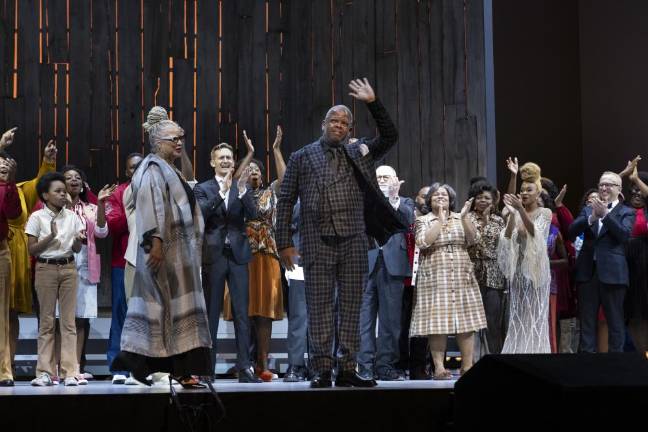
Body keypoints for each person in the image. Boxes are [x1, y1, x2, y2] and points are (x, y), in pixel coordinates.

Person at [275, 78, 404, 388]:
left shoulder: (358, 152)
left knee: (351, 307)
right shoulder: (301, 157)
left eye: (345, 122)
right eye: (334, 120)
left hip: (354, 239)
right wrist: (283, 244)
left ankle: (347, 368)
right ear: (324, 124)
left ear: (349, 128)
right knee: (318, 307)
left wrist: (373, 102)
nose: (339, 125)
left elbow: (390, 135)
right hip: (316, 241)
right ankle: (320, 368)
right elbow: (286, 200)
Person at [112, 119, 212, 387]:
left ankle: (181, 370)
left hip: (178, 255)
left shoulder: (170, 168)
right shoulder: (151, 168)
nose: (179, 142)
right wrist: (155, 241)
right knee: (158, 309)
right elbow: (149, 206)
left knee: (176, 312)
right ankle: (137, 363)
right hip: (164, 251)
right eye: (173, 139)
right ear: (158, 143)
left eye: (181, 137)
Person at [193, 141, 261, 383]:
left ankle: (245, 367)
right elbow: (201, 214)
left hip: (239, 255)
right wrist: (223, 192)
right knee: (211, 313)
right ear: (213, 162)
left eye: (229, 158)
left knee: (243, 313)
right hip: (214, 255)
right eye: (221, 157)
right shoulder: (204, 188)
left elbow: (254, 216)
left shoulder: (242, 188)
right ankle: (207, 369)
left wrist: (242, 192)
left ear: (234, 162)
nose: (225, 161)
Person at [222, 126, 286, 381]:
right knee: (244, 310)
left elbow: (286, 179)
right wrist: (247, 156)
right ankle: (244, 362)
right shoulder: (238, 193)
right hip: (242, 255)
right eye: (250, 170)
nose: (254, 173)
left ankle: (263, 364)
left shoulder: (271, 192)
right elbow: (236, 178)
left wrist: (276, 150)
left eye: (257, 170)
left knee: (264, 312)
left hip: (267, 255)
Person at [409, 183, 486, 379]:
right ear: (429, 200)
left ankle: (467, 366)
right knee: (437, 321)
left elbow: (474, 239)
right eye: (436, 195)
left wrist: (465, 217)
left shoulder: (461, 217)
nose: (440, 197)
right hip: (434, 274)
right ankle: (439, 368)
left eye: (444, 195)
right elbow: (423, 242)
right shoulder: (423, 220)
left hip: (462, 272)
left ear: (451, 199)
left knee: (466, 320)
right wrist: (440, 220)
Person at [2, 132, 57, 369]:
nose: (3, 166)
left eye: (6, 164)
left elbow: (41, 182)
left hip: (15, 255)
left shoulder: (21, 189)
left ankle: (8, 363)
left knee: (11, 313)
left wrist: (47, 160)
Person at [26, 172, 85, 386]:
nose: (63, 194)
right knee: (47, 322)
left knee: (68, 322)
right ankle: (44, 372)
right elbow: (32, 250)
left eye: (64, 191)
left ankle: (70, 372)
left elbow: (77, 248)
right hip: (46, 269)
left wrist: (79, 240)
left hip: (69, 268)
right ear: (45, 195)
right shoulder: (36, 217)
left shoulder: (72, 216)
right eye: (57, 191)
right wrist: (50, 235)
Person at [57, 166, 114, 380]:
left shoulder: (90, 207)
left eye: (77, 178)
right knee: (60, 318)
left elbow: (102, 231)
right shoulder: (55, 207)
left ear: (83, 184)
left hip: (86, 263)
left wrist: (100, 204)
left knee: (81, 319)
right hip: (61, 261)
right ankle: (58, 366)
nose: (74, 180)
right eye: (69, 178)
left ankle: (76, 366)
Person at [357, 165, 414, 381]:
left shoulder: (405, 202)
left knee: (391, 321)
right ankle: (364, 366)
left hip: (394, 264)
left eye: (386, 177)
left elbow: (408, 221)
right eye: (378, 176)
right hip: (366, 263)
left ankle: (385, 365)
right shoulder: (363, 199)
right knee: (364, 320)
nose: (381, 180)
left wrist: (392, 200)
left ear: (396, 179)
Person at [569, 170, 634, 353]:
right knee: (587, 323)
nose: (604, 188)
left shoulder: (626, 211)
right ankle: (586, 367)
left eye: (609, 185)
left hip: (613, 274)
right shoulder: (589, 209)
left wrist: (605, 214)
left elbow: (623, 235)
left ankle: (616, 367)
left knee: (615, 322)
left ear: (619, 189)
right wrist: (592, 218)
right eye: (601, 184)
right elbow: (571, 231)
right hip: (587, 272)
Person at [498, 161, 552, 354]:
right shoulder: (513, 213)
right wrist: (513, 176)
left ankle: (536, 352)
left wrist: (520, 210)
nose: (525, 193)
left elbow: (535, 234)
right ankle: (517, 351)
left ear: (538, 193)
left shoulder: (545, 212)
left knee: (534, 313)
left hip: (537, 270)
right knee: (518, 314)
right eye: (523, 190)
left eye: (530, 190)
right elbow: (507, 232)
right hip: (519, 269)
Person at [104, 153, 143, 384]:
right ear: (127, 172)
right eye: (132, 167)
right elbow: (114, 224)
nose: (136, 170)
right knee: (121, 312)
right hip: (123, 260)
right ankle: (118, 366)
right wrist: (132, 208)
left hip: (151, 260)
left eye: (140, 166)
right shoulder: (119, 192)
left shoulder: (154, 189)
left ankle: (144, 366)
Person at [466, 179, 507, 355]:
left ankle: (495, 359)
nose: (483, 200)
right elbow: (470, 240)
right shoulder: (466, 217)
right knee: (471, 320)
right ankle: (472, 361)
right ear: (473, 200)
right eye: (479, 197)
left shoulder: (499, 220)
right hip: (471, 270)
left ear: (493, 201)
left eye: (487, 198)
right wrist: (480, 221)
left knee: (493, 321)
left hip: (494, 271)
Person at [620, 159, 648, 353]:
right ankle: (640, 356)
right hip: (625, 267)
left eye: (639, 189)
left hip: (645, 267)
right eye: (633, 189)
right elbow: (606, 194)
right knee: (632, 313)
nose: (636, 192)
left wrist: (637, 179)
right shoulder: (622, 210)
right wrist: (624, 174)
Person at [0, 149, 21, 386]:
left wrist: (11, 182)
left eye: (6, 165)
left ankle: (3, 370)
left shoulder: (7, 188)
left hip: (1, 251)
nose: (4, 167)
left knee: (2, 315)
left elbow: (14, 214)